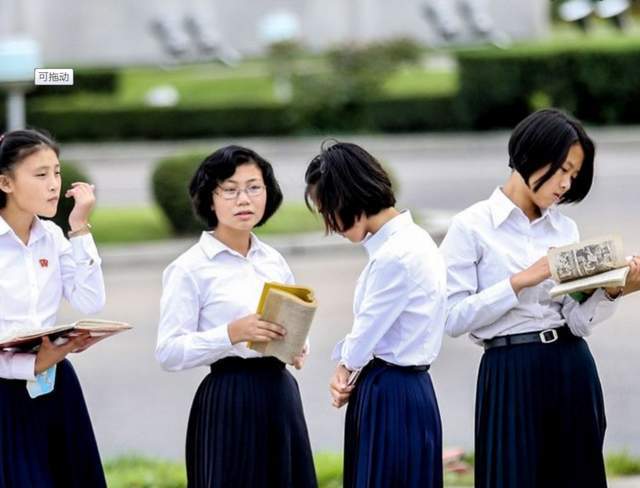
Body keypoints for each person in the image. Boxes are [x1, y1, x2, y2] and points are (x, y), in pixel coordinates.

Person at [439, 108, 640, 488]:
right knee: (512, 476)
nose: (566, 184)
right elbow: (451, 318)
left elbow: (577, 321)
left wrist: (612, 291)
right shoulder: (472, 226)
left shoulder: (564, 228)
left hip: (571, 364)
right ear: (531, 155)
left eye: (574, 175)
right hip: (509, 368)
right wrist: (521, 280)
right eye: (563, 169)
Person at [156, 145, 317, 488]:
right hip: (229, 400)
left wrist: (299, 344)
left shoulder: (273, 260)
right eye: (230, 190)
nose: (244, 199)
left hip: (280, 395)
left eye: (254, 187)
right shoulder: (189, 268)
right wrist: (229, 333)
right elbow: (168, 352)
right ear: (209, 199)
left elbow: (290, 320)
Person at [304, 141, 446, 488]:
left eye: (328, 211)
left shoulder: (394, 256)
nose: (331, 225)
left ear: (348, 197)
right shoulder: (412, 241)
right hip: (405, 390)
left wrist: (344, 367)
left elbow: (366, 334)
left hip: (391, 396)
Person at [0, 129, 107, 487]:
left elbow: (90, 301)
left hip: (54, 385)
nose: (54, 185)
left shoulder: (53, 236)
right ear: (5, 182)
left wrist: (78, 228)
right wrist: (30, 363)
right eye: (41, 174)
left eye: (57, 172)